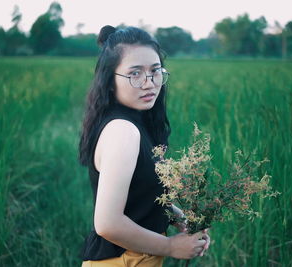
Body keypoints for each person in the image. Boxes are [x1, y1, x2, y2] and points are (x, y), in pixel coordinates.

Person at [79, 25, 210, 266]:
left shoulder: (136, 122)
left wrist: (177, 216)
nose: (149, 83)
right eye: (135, 74)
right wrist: (171, 245)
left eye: (155, 71)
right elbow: (108, 223)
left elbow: (138, 192)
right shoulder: (122, 131)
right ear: (110, 81)